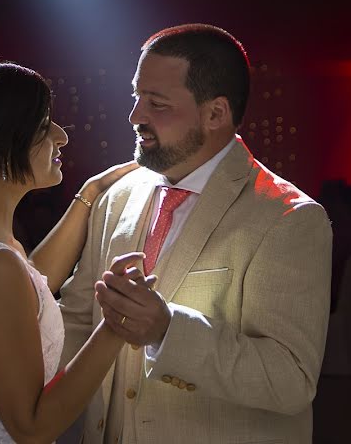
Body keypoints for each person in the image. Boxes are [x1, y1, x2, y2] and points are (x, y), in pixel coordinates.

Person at [59, 24, 333, 443]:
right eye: (136, 96)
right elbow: (78, 320)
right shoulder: (118, 197)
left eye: (157, 103)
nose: (135, 116)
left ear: (215, 114)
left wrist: (167, 331)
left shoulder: (288, 218)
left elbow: (290, 380)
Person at [0, 61, 143, 443]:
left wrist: (89, 196)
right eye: (44, 125)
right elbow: (32, 426)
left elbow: (22, 288)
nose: (62, 136)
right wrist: (117, 325)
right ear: (1, 143)